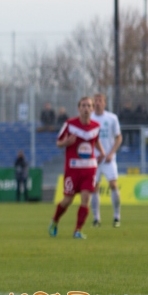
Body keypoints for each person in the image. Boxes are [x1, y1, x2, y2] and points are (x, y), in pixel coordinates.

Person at [49, 97, 105, 240]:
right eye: (83, 105)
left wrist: (102, 152)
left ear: (92, 109)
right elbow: (58, 143)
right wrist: (66, 142)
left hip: (89, 168)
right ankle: (55, 221)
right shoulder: (69, 125)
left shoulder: (96, 126)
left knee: (85, 199)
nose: (86, 108)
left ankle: (77, 230)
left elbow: (95, 140)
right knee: (68, 199)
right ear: (79, 108)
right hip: (73, 168)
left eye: (89, 106)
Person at [89, 94, 123, 228]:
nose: (98, 103)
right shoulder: (89, 118)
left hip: (108, 159)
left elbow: (119, 138)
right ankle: (96, 219)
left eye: (100, 101)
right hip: (94, 160)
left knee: (113, 185)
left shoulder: (112, 118)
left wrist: (111, 153)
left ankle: (117, 217)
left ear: (104, 103)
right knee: (94, 188)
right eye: (95, 101)